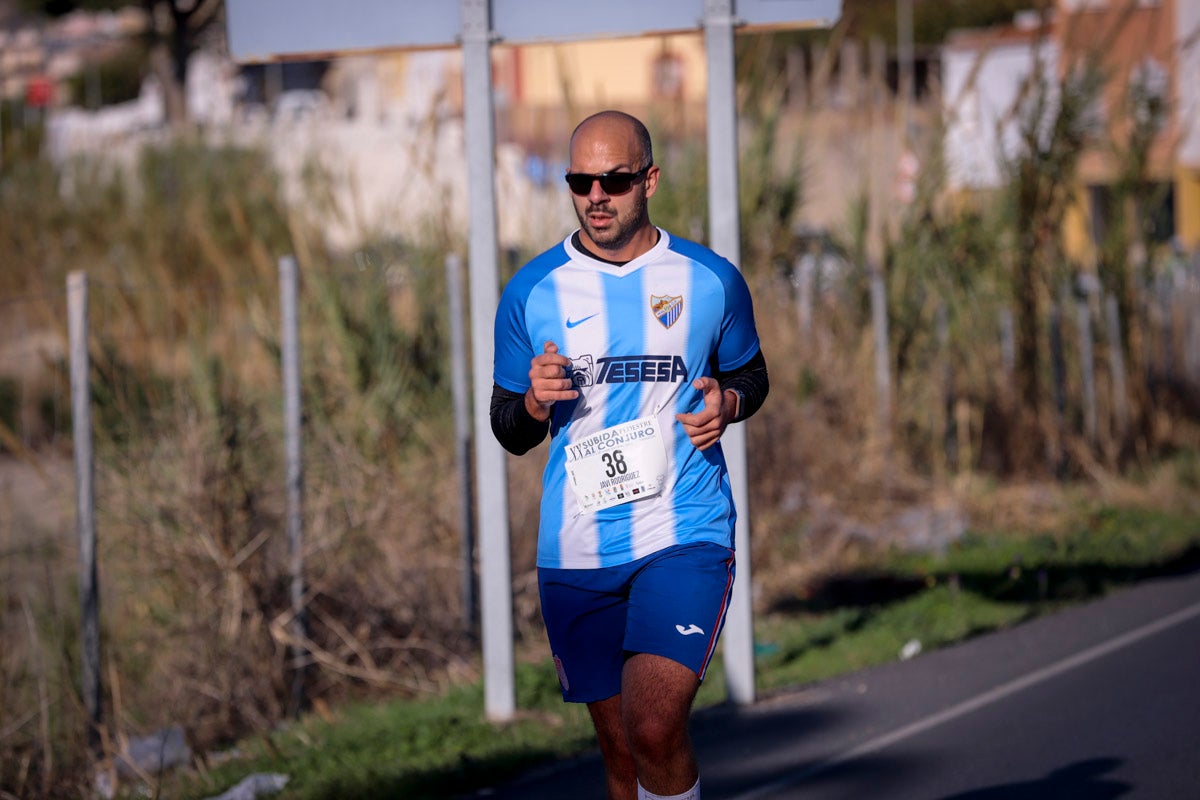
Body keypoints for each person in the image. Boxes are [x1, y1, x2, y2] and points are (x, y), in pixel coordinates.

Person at [490, 110, 769, 800]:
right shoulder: (532, 290)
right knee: (620, 757)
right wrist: (532, 403)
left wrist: (725, 406)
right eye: (580, 180)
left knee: (653, 727)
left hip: (683, 531)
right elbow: (508, 428)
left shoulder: (708, 279)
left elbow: (750, 376)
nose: (595, 195)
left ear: (649, 180)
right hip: (577, 547)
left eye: (613, 180)